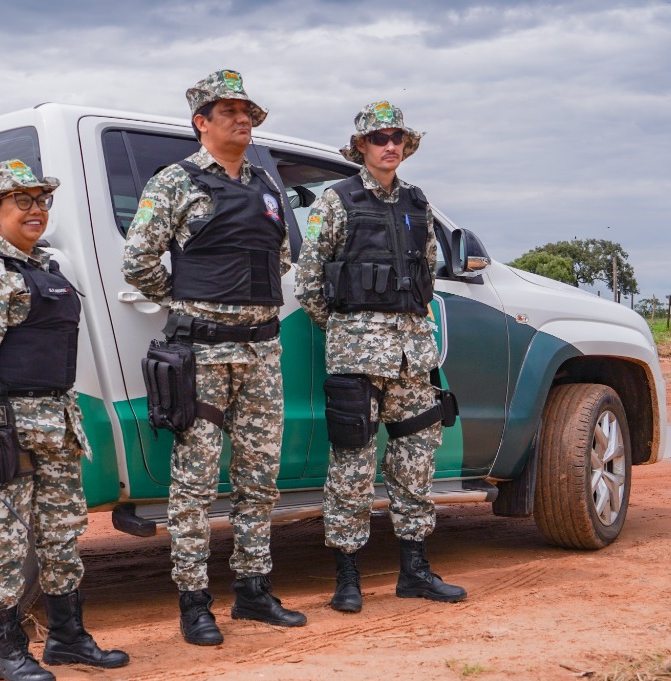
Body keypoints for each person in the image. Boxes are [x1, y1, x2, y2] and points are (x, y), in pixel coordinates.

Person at [121, 69, 306, 645]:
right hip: (201, 352)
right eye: (228, 111)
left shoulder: (266, 186)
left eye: (247, 111)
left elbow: (279, 257)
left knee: (259, 478)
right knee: (195, 483)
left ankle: (253, 590)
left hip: (262, 351)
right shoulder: (174, 183)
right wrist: (189, 302)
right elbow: (138, 262)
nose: (242, 119)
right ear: (201, 122)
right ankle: (195, 602)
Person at [0, 159, 128, 681]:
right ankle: (9, 652)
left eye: (42, 200)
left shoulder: (45, 267)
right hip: (9, 429)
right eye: (21, 200)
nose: (36, 209)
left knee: (62, 534)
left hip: (56, 425)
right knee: (3, 541)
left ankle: (68, 636)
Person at [295, 101, 467, 613]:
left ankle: (414, 571)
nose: (389, 146)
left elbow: (426, 272)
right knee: (352, 466)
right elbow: (309, 283)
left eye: (396, 138)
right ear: (361, 146)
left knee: (415, 464)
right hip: (357, 357)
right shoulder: (336, 201)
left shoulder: (418, 202)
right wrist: (350, 331)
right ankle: (347, 578)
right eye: (379, 138)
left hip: (412, 357)